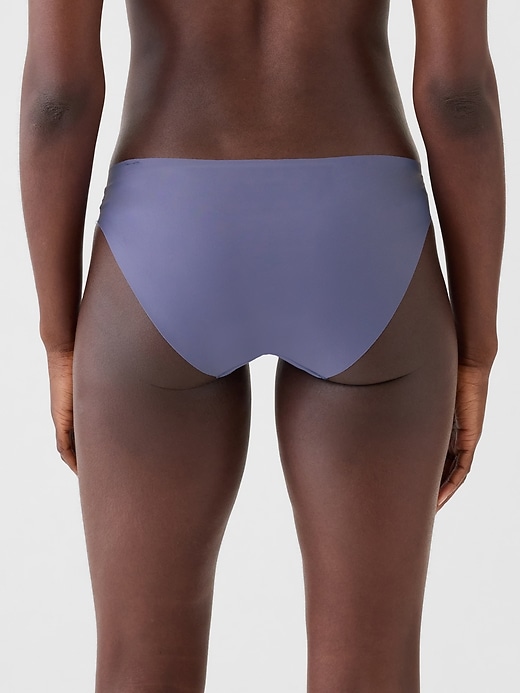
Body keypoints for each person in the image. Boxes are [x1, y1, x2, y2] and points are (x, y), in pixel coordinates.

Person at [19, 0, 504, 690]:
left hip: (167, 237)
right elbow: (459, 95)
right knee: (371, 668)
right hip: (362, 240)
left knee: (139, 668)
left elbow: (56, 98)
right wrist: (477, 347)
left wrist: (59, 339)